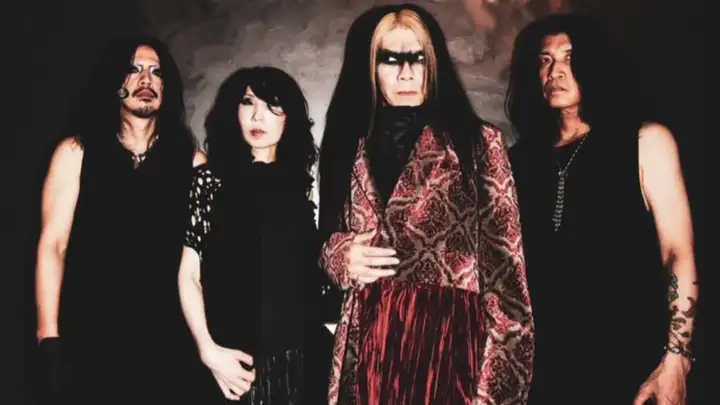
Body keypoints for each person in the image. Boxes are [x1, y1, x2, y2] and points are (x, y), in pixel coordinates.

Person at [317, 4, 534, 405]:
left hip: (448, 351)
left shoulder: (478, 143)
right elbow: (326, 238)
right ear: (370, 67)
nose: (406, 73)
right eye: (390, 59)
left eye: (417, 58)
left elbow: (509, 285)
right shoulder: (347, 143)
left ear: (434, 63)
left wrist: (494, 394)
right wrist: (339, 255)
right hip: (367, 345)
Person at [505, 13, 698, 405]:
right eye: (545, 60)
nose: (555, 71)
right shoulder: (519, 159)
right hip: (544, 371)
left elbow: (677, 253)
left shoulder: (645, 141)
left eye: (569, 57)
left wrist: (677, 359)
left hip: (631, 366)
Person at [34, 36, 206, 403]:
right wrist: (48, 337)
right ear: (115, 82)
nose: (146, 79)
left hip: (168, 347)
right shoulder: (76, 152)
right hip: (90, 341)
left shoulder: (193, 163)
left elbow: (205, 263)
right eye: (134, 69)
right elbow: (53, 246)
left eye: (157, 72)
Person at [178, 66, 330, 405]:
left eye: (273, 105)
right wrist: (207, 349)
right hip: (232, 357)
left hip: (299, 359)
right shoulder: (209, 180)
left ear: (289, 117)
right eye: (248, 102)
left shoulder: (301, 186)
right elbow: (188, 273)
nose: (258, 116)